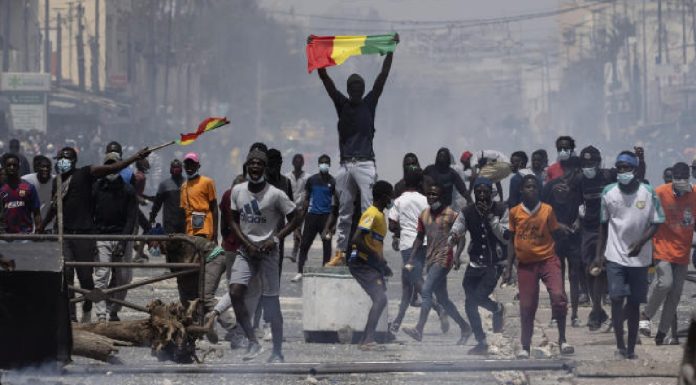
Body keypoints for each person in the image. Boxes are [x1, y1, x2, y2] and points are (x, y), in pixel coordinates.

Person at [40, 146, 150, 323]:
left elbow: (112, 168)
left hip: (84, 234)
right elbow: (55, 206)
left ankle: (87, 307)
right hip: (66, 234)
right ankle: (72, 316)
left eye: (66, 158)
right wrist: (42, 226)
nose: (62, 161)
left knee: (86, 278)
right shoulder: (58, 181)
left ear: (74, 160)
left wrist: (134, 157)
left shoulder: (85, 173)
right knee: (67, 276)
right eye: (59, 158)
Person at [317, 34, 398, 267]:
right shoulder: (341, 104)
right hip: (344, 165)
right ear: (348, 89)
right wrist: (318, 54)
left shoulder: (370, 103)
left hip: (365, 163)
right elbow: (326, 81)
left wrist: (390, 52)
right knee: (344, 211)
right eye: (352, 87)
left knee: (368, 210)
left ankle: (372, 252)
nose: (356, 90)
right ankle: (340, 253)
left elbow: (382, 79)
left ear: (363, 89)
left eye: (359, 86)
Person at [228, 149, 300, 363]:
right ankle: (253, 341)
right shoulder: (238, 191)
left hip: (269, 253)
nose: (255, 167)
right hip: (245, 251)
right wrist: (246, 243)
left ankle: (277, 351)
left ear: (265, 168)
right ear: (246, 166)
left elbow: (296, 218)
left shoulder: (275, 194)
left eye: (260, 164)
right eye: (252, 163)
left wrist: (275, 239)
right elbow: (232, 220)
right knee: (235, 292)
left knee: (271, 304)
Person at [592, 151, 664, 360]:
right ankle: (620, 344)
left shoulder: (648, 192)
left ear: (634, 169)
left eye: (626, 167)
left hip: (640, 259)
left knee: (633, 304)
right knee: (616, 298)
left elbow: (657, 222)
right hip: (615, 256)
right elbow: (603, 227)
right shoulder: (609, 192)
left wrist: (641, 242)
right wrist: (599, 255)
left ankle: (631, 348)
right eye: (619, 168)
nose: (622, 171)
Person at [502, 175, 574, 358]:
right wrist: (508, 266)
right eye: (528, 187)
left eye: (534, 187)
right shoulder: (515, 212)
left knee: (558, 297)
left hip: (548, 259)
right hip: (526, 264)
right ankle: (525, 346)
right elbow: (511, 239)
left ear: (539, 190)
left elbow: (556, 232)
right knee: (527, 306)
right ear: (521, 190)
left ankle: (563, 339)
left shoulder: (547, 210)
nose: (531, 190)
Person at [402, 184, 472, 345]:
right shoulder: (424, 215)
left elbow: (461, 237)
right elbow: (420, 237)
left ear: (440, 197)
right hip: (431, 259)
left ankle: (419, 329)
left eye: (435, 194)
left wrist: (457, 255)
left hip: (444, 258)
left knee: (426, 290)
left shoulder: (451, 214)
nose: (431, 197)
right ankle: (465, 327)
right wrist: (411, 257)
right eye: (429, 194)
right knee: (443, 300)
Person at [449, 177, 508, 355]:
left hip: (494, 263)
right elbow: (457, 228)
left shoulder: (501, 209)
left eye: (485, 192)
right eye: (478, 192)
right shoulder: (467, 211)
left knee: (479, 297)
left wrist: (491, 218)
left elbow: (506, 236)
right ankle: (481, 340)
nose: (482, 195)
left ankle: (497, 309)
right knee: (469, 303)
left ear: (491, 192)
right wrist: (452, 240)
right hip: (475, 262)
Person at [639, 162, 695, 345]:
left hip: (683, 252)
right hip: (662, 248)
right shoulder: (660, 192)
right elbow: (647, 217)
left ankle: (662, 333)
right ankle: (646, 314)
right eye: (677, 180)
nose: (681, 183)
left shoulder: (694, 194)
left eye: (684, 180)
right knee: (664, 283)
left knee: (675, 295)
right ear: (673, 180)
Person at [388, 168, 448, 334]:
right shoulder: (425, 200)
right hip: (425, 243)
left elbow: (391, 224)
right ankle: (397, 323)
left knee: (415, 282)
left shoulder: (399, 201)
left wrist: (399, 231)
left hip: (408, 246)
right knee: (408, 284)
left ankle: (439, 308)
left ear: (405, 183)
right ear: (421, 183)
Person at [347, 180, 394, 350]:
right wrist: (375, 255)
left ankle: (365, 339)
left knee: (380, 298)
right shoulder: (371, 214)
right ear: (384, 197)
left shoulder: (380, 215)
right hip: (361, 262)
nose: (393, 199)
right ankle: (367, 339)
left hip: (371, 263)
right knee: (380, 298)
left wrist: (383, 264)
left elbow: (375, 243)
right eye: (391, 195)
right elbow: (357, 239)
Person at [92, 152, 137, 322]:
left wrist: (123, 242)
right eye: (108, 164)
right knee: (101, 276)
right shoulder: (96, 187)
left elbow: (131, 219)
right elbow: (90, 214)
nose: (111, 168)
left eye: (114, 164)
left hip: (121, 237)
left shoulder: (128, 190)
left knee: (124, 278)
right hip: (101, 236)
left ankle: (114, 309)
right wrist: (93, 238)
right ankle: (101, 314)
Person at [542, 175, 584, 327]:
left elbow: (581, 213)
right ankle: (557, 314)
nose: (561, 194)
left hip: (573, 240)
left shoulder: (576, 196)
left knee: (574, 277)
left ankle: (574, 315)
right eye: (558, 192)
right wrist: (559, 225)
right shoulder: (549, 199)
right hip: (556, 240)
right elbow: (544, 217)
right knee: (557, 278)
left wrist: (577, 223)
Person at [293, 154, 338, 282]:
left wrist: (333, 225)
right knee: (304, 244)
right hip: (312, 216)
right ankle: (300, 271)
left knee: (327, 244)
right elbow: (306, 200)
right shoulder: (312, 180)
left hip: (326, 218)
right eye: (322, 162)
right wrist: (299, 222)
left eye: (326, 162)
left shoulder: (333, 182)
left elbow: (336, 206)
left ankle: (325, 269)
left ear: (329, 165)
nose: (324, 164)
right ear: (318, 164)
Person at [180, 152, 218, 242]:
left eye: (192, 164)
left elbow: (214, 208)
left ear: (198, 166)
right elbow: (183, 212)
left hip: (204, 227)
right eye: (187, 164)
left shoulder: (207, 182)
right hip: (190, 229)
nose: (189, 167)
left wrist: (215, 233)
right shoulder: (184, 186)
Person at [0, 153, 41, 234]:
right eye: (9, 165)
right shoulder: (1, 189)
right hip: (4, 236)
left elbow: (36, 212)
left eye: (14, 165)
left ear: (18, 167)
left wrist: (38, 229)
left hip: (25, 236)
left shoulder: (29, 187)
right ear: (4, 167)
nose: (12, 167)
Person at [149, 159, 186, 234]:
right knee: (170, 244)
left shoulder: (188, 183)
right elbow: (157, 203)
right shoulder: (164, 185)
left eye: (178, 167)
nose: (176, 169)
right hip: (169, 223)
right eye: (174, 167)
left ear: (181, 169)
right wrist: (152, 216)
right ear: (170, 169)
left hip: (185, 221)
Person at [22, 155, 54, 231]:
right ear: (37, 168)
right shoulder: (26, 180)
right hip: (30, 225)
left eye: (47, 167)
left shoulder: (56, 181)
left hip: (50, 226)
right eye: (42, 167)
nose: (45, 169)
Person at [287, 154, 308, 263]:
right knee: (295, 229)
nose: (298, 163)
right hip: (289, 207)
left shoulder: (307, 177)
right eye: (296, 161)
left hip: (302, 208)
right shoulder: (287, 177)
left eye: (300, 161)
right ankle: (301, 251)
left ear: (303, 163)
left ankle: (296, 252)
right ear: (293, 163)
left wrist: (305, 205)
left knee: (298, 229)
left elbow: (308, 193)